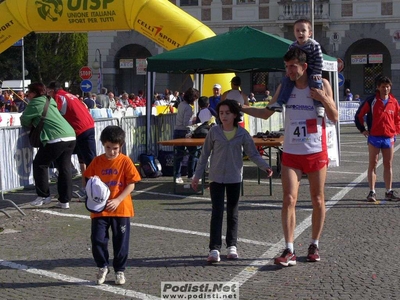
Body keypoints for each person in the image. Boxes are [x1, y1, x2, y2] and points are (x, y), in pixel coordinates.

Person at [241, 47, 338, 266]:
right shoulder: (284, 87)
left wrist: (322, 97)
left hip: (315, 151)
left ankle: (314, 243)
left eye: (292, 66)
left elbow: (334, 117)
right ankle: (289, 249)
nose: (289, 71)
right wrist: (241, 107)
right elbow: (266, 113)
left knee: (318, 199)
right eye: (286, 67)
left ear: (304, 66)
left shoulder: (321, 84)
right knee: (288, 200)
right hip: (292, 152)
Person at [191, 100, 273, 262]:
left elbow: (253, 154)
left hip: (234, 177)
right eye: (221, 113)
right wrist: (197, 176)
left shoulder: (242, 134)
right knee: (217, 212)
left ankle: (231, 246)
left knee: (232, 213)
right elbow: (204, 155)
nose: (224, 116)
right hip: (215, 178)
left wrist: (265, 166)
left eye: (227, 113)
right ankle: (214, 248)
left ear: (235, 115)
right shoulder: (214, 132)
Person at [84, 125, 141, 285]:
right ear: (103, 145)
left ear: (120, 146)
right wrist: (90, 194)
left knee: (121, 242)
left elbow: (132, 184)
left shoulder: (125, 161)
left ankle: (119, 270)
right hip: (100, 210)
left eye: (115, 148)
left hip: (121, 209)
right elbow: (88, 179)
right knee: (97, 239)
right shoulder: (97, 162)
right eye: (108, 148)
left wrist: (118, 199)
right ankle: (102, 266)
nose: (111, 152)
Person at [20, 83, 76, 209]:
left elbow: (24, 120)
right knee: (64, 168)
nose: (27, 95)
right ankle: (64, 201)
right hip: (70, 135)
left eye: (29, 92)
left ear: (34, 93)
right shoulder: (49, 100)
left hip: (55, 137)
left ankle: (44, 195)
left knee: (40, 164)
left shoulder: (35, 103)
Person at [354, 76, 400, 202]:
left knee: (388, 164)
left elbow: (397, 118)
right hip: (374, 137)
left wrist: (396, 130)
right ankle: (372, 192)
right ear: (378, 87)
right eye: (383, 86)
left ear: (390, 87)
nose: (385, 89)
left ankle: (388, 191)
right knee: (373, 164)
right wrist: (362, 129)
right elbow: (359, 115)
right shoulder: (371, 101)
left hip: (389, 137)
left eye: (387, 86)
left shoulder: (394, 102)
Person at [267, 19, 325, 118]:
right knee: (285, 81)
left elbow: (319, 60)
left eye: (303, 30)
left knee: (316, 83)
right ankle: (280, 103)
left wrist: (317, 73)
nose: (300, 33)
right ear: (294, 33)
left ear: (310, 33)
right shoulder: (292, 46)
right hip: (299, 71)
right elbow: (288, 59)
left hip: (312, 70)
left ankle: (319, 105)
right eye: (297, 30)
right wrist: (288, 71)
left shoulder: (314, 45)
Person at [47, 81, 97, 189]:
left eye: (48, 92)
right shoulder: (70, 95)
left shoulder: (58, 96)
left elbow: (54, 113)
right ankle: (90, 187)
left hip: (79, 128)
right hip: (88, 126)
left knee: (60, 151)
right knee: (88, 159)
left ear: (51, 90)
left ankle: (92, 188)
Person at [173, 87, 200, 184]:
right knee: (193, 153)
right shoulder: (188, 108)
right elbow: (186, 123)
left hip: (177, 131)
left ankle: (177, 176)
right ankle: (190, 174)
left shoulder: (181, 104)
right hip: (184, 132)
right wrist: (194, 120)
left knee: (178, 155)